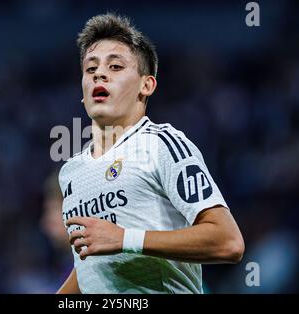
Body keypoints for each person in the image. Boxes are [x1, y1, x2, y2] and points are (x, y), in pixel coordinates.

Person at [56, 13, 244, 294]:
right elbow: (91, 268)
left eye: (116, 66)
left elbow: (228, 241)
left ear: (147, 85)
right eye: (90, 68)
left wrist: (125, 238)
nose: (99, 73)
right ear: (83, 92)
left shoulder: (161, 145)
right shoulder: (70, 172)